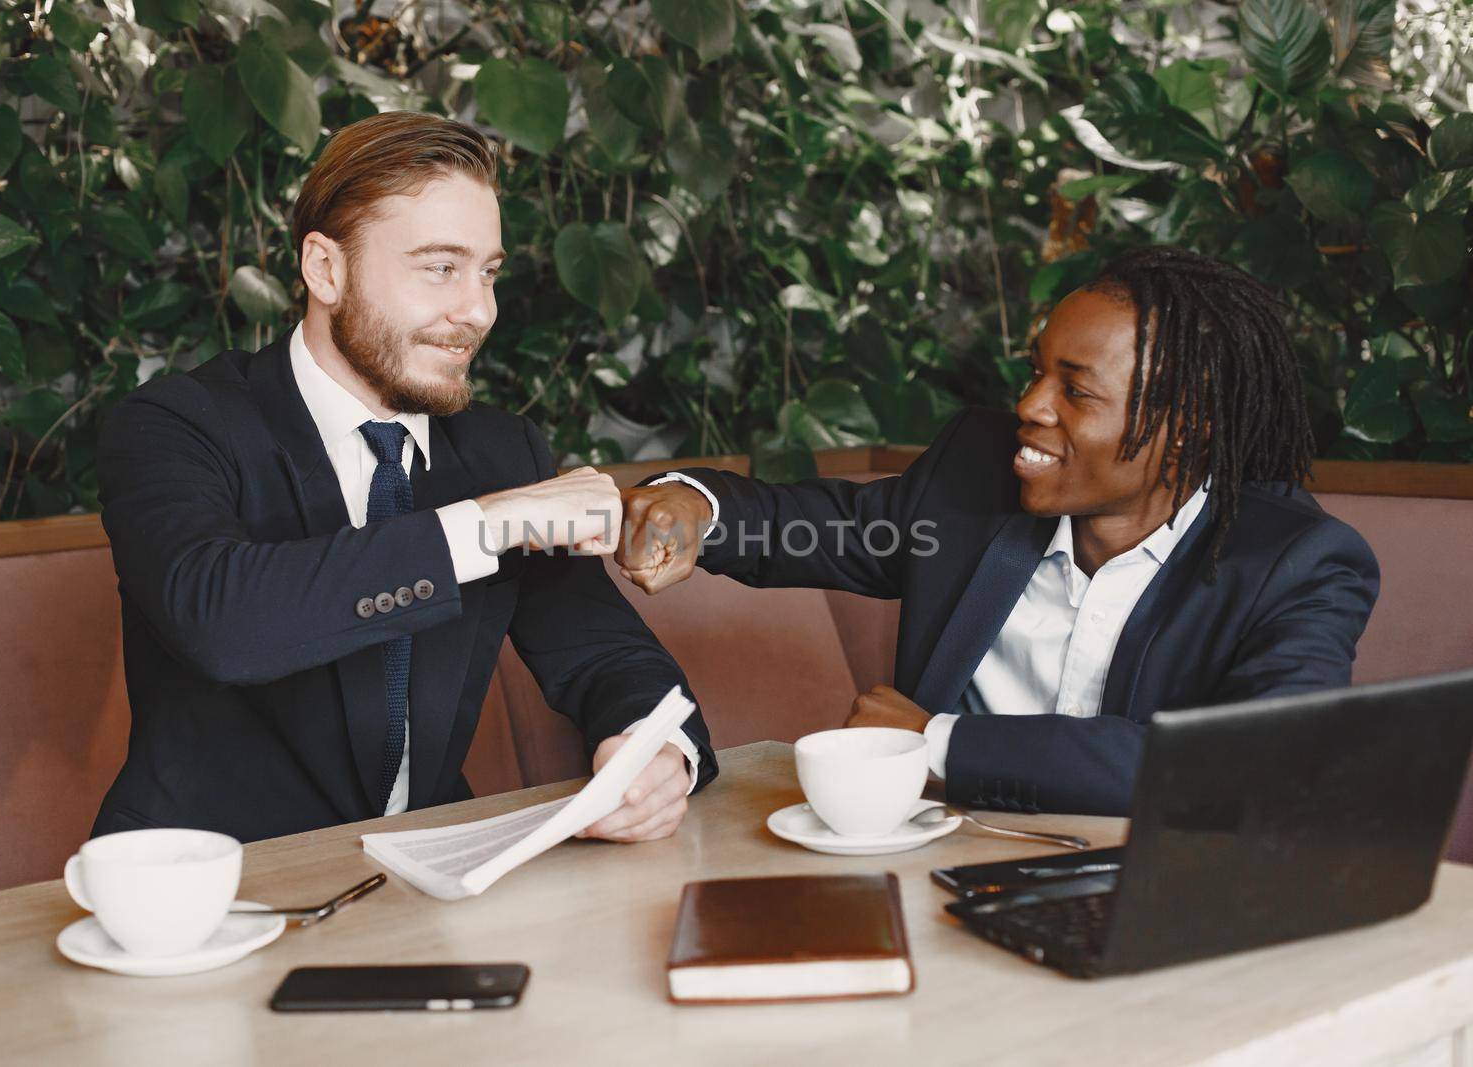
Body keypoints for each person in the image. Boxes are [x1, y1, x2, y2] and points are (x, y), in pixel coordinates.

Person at [93, 112, 713, 844]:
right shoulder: (175, 424)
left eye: (487, 272)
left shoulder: (501, 452)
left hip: (423, 874)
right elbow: (224, 618)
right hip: (203, 891)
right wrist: (485, 527)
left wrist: (651, 747)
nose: (478, 311)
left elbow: (607, 654)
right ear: (326, 269)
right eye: (441, 268)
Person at [616, 247, 1378, 815]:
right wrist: (693, 505)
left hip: (1157, 901)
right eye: (1037, 371)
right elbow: (814, 527)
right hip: (939, 872)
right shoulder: (973, 483)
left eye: (1075, 390)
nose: (1031, 404)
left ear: (1184, 431)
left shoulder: (1295, 562)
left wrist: (936, 741)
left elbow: (1258, 763)